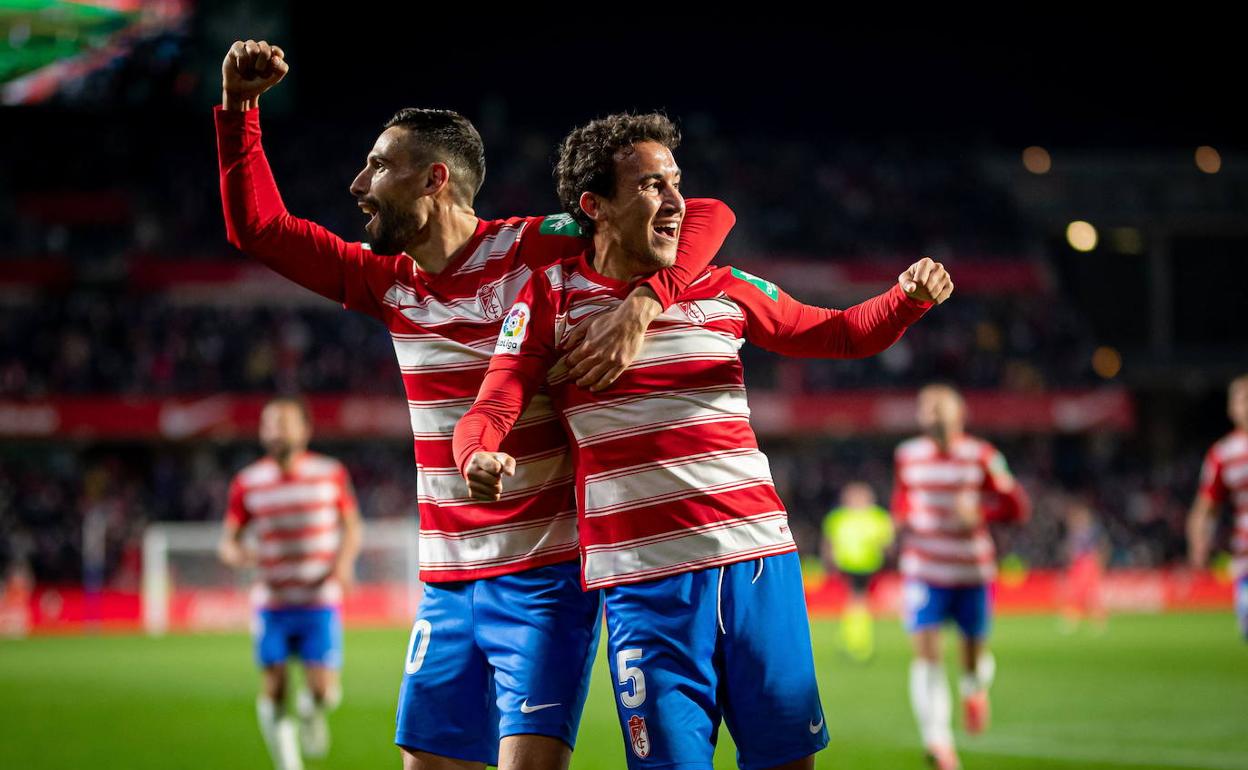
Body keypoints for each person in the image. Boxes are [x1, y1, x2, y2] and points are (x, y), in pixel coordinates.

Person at [216, 40, 732, 770]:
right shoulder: (383, 280)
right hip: (447, 582)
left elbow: (706, 213)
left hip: (545, 578)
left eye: (378, 167)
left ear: (434, 180)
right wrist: (239, 111)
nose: (358, 184)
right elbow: (258, 230)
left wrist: (643, 304)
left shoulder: (537, 246)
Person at [454, 111, 952, 770]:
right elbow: (490, 404)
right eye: (650, 187)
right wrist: (475, 455)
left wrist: (905, 300)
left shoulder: (722, 285)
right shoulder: (552, 298)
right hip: (645, 589)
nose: (675, 201)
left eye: (675, 182)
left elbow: (838, 333)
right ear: (594, 206)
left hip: (759, 566)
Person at [890, 384, 1030, 770]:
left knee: (971, 660)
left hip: (970, 570)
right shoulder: (908, 455)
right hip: (924, 570)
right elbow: (902, 497)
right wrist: (900, 518)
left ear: (959, 414)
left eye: (941, 406)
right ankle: (939, 743)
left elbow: (1017, 505)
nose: (933, 412)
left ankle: (974, 688)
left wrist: (984, 513)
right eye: (926, 407)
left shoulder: (982, 456)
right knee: (927, 654)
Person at [219, 396, 363, 770]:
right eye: (269, 424)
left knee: (324, 693)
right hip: (273, 603)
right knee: (276, 687)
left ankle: (312, 710)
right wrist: (238, 555)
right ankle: (289, 764)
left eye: (284, 423)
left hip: (319, 601)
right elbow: (228, 541)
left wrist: (344, 564)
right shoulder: (248, 482)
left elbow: (352, 526)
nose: (276, 431)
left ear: (304, 430)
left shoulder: (330, 473)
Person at [1187, 373, 1248, 641]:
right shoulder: (1223, 454)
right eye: (1243, 399)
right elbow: (1205, 507)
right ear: (1231, 408)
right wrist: (1198, 541)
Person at [820, 482, 894, 662]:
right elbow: (829, 541)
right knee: (858, 600)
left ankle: (853, 639)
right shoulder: (840, 517)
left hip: (867, 564)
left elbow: (886, 543)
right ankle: (858, 642)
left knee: (856, 600)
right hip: (850, 564)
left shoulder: (876, 516)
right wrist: (829, 560)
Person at [1058, 498, 1107, 634]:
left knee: (1086, 595)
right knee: (1078, 595)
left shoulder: (1089, 532)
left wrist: (1097, 564)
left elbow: (1099, 548)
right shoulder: (1077, 533)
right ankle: (1075, 622)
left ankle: (1096, 622)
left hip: (1087, 564)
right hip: (1081, 565)